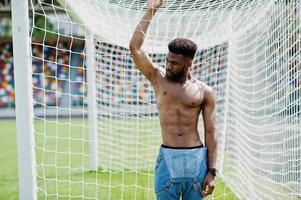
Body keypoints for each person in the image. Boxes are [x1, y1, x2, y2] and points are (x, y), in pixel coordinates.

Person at [129, 0, 217, 199]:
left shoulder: (205, 91)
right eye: (167, 60)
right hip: (168, 158)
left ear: (188, 64)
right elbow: (135, 47)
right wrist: (151, 10)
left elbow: (211, 132)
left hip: (196, 158)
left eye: (174, 63)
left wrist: (212, 172)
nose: (168, 65)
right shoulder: (157, 78)